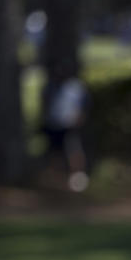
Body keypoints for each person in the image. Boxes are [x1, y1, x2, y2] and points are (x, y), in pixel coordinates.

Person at [41, 61, 90, 192]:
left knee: (74, 152)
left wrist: (78, 120)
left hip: (70, 126)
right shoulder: (50, 87)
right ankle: (55, 182)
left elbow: (83, 107)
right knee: (54, 154)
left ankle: (77, 179)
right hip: (54, 125)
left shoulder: (76, 87)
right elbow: (45, 106)